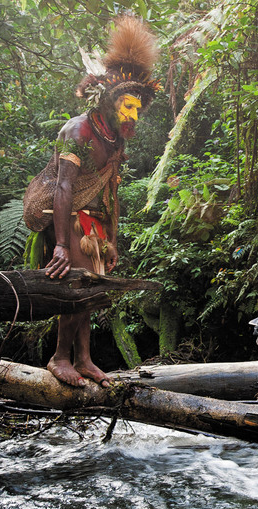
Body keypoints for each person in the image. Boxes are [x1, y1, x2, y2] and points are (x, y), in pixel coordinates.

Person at [23, 16, 158, 387]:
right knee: (76, 288)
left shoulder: (115, 138)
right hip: (64, 216)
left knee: (93, 292)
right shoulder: (78, 130)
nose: (133, 115)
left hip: (95, 222)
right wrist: (62, 244)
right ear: (107, 100)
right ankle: (60, 357)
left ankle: (83, 358)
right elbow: (64, 187)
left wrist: (112, 239)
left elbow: (111, 191)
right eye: (127, 106)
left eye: (137, 109)